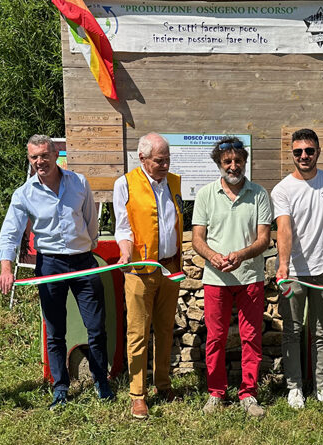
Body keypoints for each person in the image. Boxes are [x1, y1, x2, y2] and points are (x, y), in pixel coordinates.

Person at [0, 134, 112, 410]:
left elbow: (90, 222)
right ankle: (60, 388)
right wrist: (6, 267)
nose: (39, 162)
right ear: (29, 159)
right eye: (34, 157)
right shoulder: (24, 193)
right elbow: (10, 232)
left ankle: (101, 381)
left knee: (96, 326)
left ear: (55, 154)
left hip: (83, 262)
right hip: (49, 264)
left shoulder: (79, 182)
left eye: (44, 156)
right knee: (54, 329)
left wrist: (88, 246)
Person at [192, 137, 272, 418]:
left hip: (250, 276)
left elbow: (264, 239)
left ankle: (248, 394)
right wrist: (212, 256)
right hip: (216, 279)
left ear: (245, 162)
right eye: (227, 161)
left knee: (251, 338)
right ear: (219, 164)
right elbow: (197, 239)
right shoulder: (205, 195)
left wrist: (242, 254)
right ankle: (216, 393)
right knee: (215, 338)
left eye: (238, 160)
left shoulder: (259, 194)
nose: (233, 166)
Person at [272, 128, 323, 409]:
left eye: (309, 151)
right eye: (298, 152)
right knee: (292, 330)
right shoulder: (283, 189)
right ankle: (294, 388)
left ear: (318, 152)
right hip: (293, 272)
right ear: (291, 154)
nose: (303, 156)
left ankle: (322, 387)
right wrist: (283, 266)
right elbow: (284, 229)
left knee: (321, 331)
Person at [113, 132, 183, 419]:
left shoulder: (175, 182)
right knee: (138, 334)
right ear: (142, 158)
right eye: (159, 160)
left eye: (167, 159)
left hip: (170, 269)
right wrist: (125, 251)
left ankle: (163, 384)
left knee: (166, 329)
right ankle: (138, 394)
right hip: (140, 271)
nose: (165, 165)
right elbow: (122, 226)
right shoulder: (125, 183)